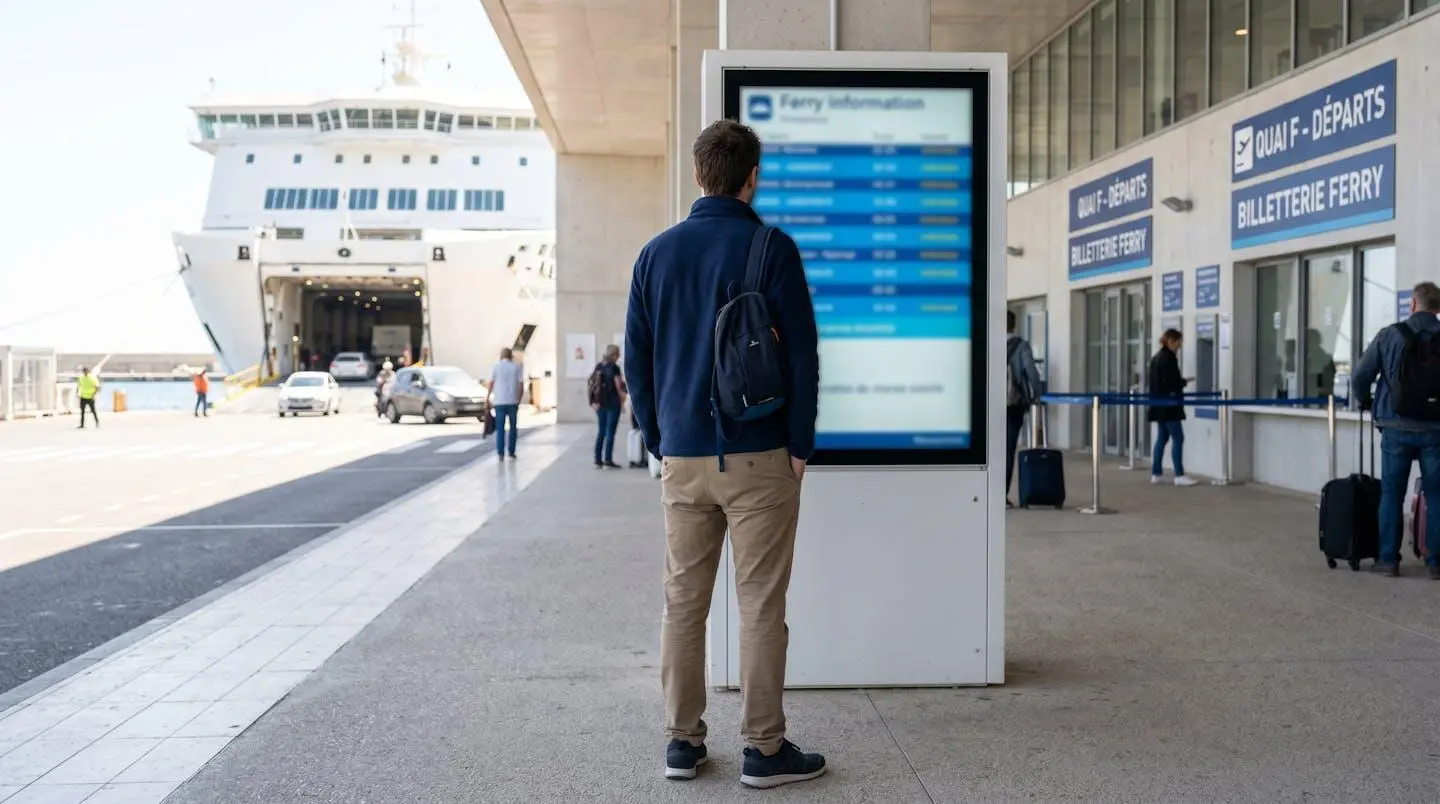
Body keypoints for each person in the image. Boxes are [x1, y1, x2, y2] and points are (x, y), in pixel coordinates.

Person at [624, 119, 824, 788]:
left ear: (697, 174)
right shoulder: (771, 247)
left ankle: (682, 744)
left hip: (683, 457)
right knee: (761, 604)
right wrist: (800, 444)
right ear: (752, 177)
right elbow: (802, 355)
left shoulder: (655, 254)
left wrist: (660, 438)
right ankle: (764, 750)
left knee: (684, 603)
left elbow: (637, 360)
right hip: (761, 453)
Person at [1353, 281, 1440, 579]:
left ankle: (1388, 560)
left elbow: (1360, 374)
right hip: (1436, 429)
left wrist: (1365, 401)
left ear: (1412, 304)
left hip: (1395, 426)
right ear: (1438, 308)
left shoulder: (1390, 335)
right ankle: (1435, 562)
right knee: (1437, 495)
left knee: (1391, 494)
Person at [1148, 329, 1197, 486]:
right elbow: (1172, 382)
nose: (1180, 346)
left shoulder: (1156, 357)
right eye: (1179, 342)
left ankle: (1156, 473)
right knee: (1178, 437)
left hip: (1158, 404)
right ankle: (1179, 475)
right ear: (1171, 341)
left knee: (1162, 438)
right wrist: (1184, 381)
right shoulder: (1169, 358)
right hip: (1169, 405)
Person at [1004, 310, 1043, 506]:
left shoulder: (988, 343)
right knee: (1007, 449)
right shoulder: (1021, 346)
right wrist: (1037, 394)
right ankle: (1001, 494)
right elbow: (1032, 373)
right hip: (1013, 404)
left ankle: (985, 492)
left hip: (989, 407)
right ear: (1014, 325)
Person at [589, 345, 626, 468]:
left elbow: (593, 384)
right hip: (613, 404)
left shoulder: (599, 366)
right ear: (614, 355)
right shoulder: (615, 368)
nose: (619, 356)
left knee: (601, 431)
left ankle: (598, 460)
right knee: (610, 432)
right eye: (618, 354)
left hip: (600, 404)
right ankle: (608, 460)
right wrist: (623, 400)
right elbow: (618, 386)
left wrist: (593, 401)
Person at [489, 347, 524, 460]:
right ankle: (511, 451)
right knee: (513, 428)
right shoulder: (516, 367)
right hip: (512, 401)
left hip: (499, 402)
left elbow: (491, 383)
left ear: (501, 356)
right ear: (511, 356)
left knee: (500, 428)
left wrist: (488, 397)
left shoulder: (496, 367)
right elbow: (521, 385)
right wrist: (519, 399)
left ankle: (500, 453)